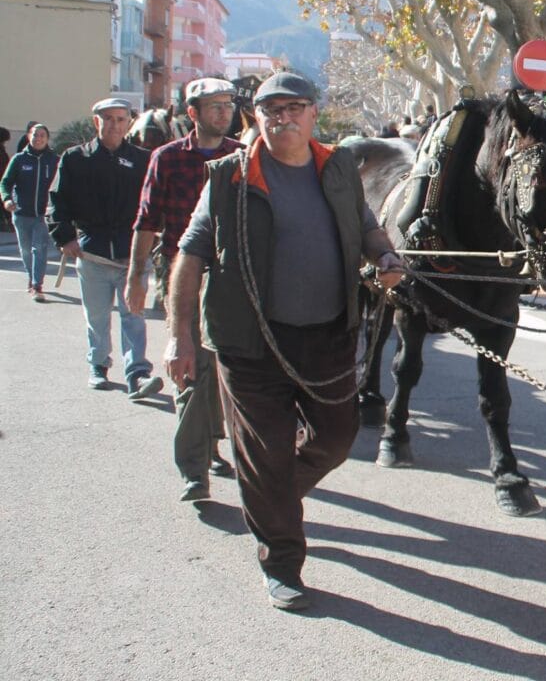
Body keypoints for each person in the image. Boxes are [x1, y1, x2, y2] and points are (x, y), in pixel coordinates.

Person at [166, 71, 405, 611]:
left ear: (313, 114)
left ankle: (271, 495)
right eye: (271, 109)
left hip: (327, 336)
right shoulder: (229, 176)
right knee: (265, 455)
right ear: (257, 117)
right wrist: (180, 337)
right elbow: (191, 255)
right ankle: (282, 561)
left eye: (294, 107)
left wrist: (384, 255)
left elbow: (366, 227)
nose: (284, 117)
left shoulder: (338, 166)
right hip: (250, 344)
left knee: (337, 439)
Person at [127, 78, 244, 501]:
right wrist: (135, 276)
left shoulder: (244, 156)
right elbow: (146, 221)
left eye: (227, 105)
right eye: (213, 106)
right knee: (192, 368)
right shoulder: (168, 159)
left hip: (234, 280)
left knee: (223, 370)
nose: (222, 112)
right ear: (191, 113)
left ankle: (211, 444)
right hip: (185, 277)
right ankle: (195, 471)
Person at [47, 97, 163, 396]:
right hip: (92, 254)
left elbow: (155, 205)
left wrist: (155, 241)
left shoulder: (143, 160)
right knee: (97, 317)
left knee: (133, 316)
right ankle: (98, 365)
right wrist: (65, 238)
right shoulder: (75, 159)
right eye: (107, 119)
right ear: (96, 121)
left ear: (128, 123)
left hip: (132, 256)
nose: (114, 125)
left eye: (120, 119)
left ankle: (137, 372)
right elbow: (56, 202)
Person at [1, 123, 56, 300]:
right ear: (28, 137)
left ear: (47, 139)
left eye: (42, 135)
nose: (38, 138)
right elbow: (5, 183)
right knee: (25, 250)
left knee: (38, 248)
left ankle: (36, 284)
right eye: (35, 135)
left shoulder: (54, 160)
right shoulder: (19, 159)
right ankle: (31, 277)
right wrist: (7, 199)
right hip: (20, 213)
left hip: (43, 214)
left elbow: (64, 186)